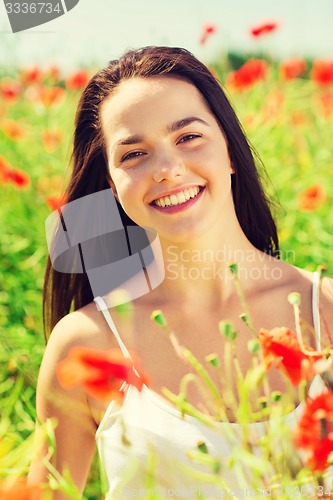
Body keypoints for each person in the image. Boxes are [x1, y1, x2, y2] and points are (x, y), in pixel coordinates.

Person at [28, 46, 333, 498]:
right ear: (113, 187)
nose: (168, 170)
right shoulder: (86, 343)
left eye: (188, 137)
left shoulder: (324, 309)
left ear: (230, 149)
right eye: (134, 154)